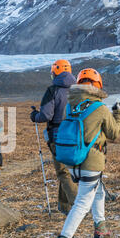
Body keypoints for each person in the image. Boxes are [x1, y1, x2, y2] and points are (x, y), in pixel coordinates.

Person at [50, 68, 120, 238]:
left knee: (97, 190)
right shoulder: (99, 108)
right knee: (83, 201)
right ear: (97, 86)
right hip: (91, 161)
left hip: (73, 160)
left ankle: (101, 227)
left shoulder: (70, 105)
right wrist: (118, 115)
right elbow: (113, 133)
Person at [30, 59, 78, 215]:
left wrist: (35, 116)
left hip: (58, 136)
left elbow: (46, 115)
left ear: (56, 72)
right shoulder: (79, 90)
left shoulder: (53, 91)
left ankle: (78, 206)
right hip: (76, 134)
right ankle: (64, 206)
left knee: (63, 172)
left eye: (53, 71)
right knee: (69, 171)